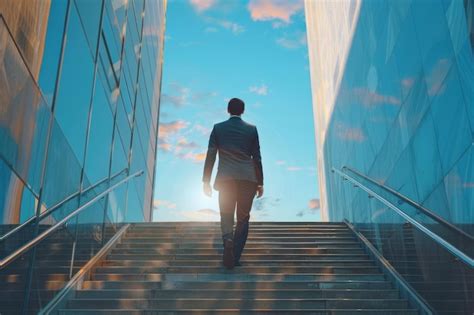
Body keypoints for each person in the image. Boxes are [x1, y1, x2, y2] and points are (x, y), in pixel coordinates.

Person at [202, 97, 264, 269]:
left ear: (228, 110)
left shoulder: (218, 128)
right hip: (248, 179)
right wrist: (260, 182)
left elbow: (211, 155)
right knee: (243, 218)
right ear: (242, 111)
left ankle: (228, 239)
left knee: (226, 214)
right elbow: (257, 158)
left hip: (226, 179)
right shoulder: (252, 130)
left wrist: (206, 180)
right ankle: (235, 256)